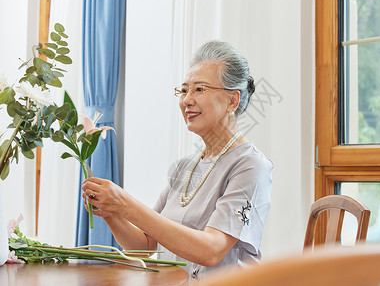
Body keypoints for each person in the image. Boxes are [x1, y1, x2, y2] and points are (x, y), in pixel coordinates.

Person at [81, 40, 273, 281]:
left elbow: (211, 250)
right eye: (184, 90)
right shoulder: (186, 166)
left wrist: (125, 203)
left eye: (199, 89)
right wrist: (111, 211)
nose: (187, 100)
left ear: (232, 100)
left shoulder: (250, 165)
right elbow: (144, 246)